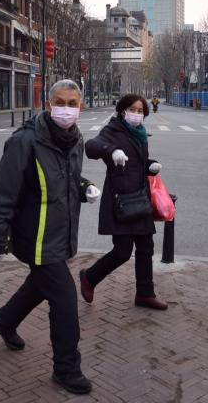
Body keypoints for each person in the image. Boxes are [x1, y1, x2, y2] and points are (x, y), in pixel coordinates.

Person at [0, 79, 101, 395]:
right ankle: (66, 369)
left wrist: (83, 187)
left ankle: (5, 322)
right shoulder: (24, 142)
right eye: (60, 102)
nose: (66, 109)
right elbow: (5, 193)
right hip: (34, 238)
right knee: (63, 298)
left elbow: (67, 179)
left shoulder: (75, 140)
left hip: (60, 235)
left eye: (72, 103)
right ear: (48, 104)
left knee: (39, 285)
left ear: (81, 106)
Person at [79, 93, 168, 311]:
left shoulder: (140, 134)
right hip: (121, 200)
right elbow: (91, 147)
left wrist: (151, 165)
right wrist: (112, 150)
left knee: (146, 247)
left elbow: (137, 162)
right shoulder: (113, 130)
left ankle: (145, 294)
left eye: (141, 111)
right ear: (122, 110)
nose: (137, 114)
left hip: (140, 197)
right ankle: (90, 277)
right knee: (122, 251)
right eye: (133, 110)